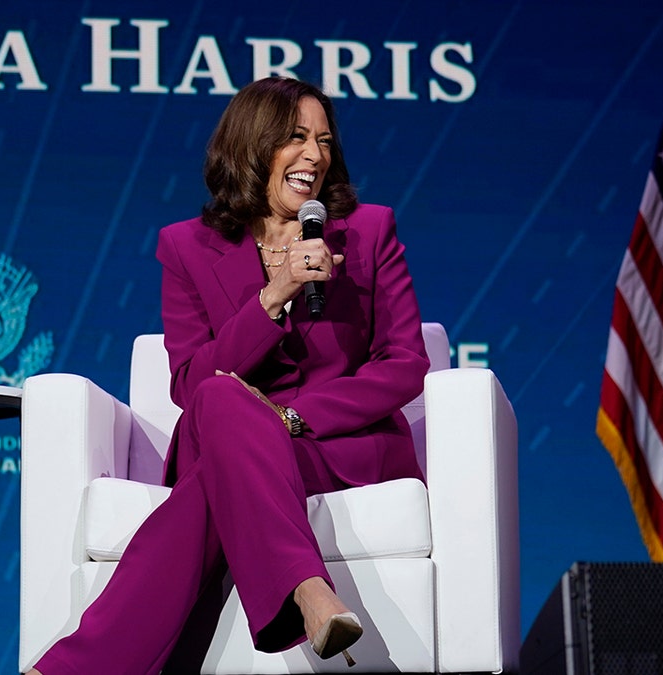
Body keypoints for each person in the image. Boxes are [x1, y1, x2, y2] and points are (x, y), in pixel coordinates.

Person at [29, 76, 429, 674]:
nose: (314, 157)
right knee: (217, 393)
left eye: (324, 140)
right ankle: (308, 591)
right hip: (222, 429)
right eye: (295, 138)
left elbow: (405, 363)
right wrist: (276, 294)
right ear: (251, 146)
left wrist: (291, 417)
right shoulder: (186, 248)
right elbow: (190, 383)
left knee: (210, 492)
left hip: (335, 446)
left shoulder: (369, 231)